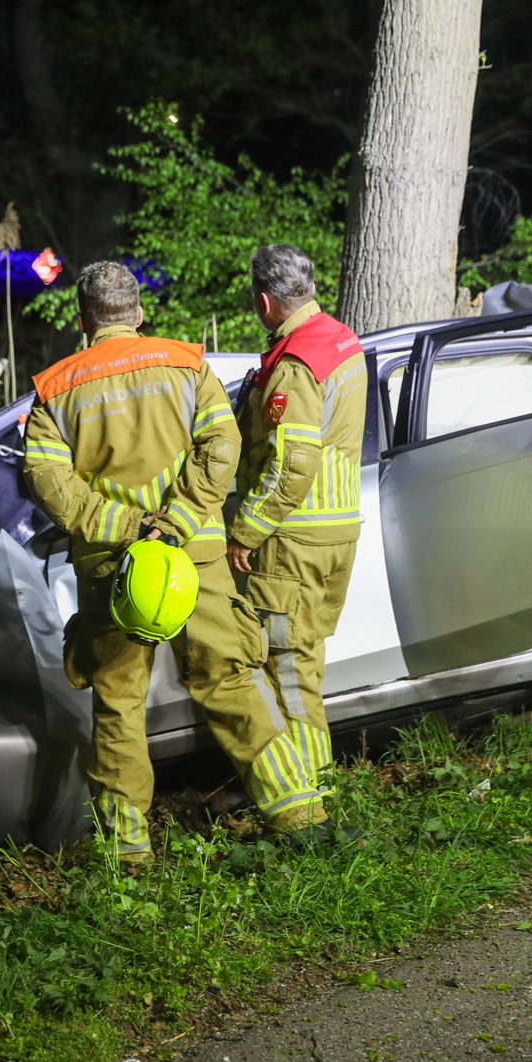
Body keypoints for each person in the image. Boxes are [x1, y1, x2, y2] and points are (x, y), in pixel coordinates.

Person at [24, 261, 256, 861]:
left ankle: (127, 853)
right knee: (228, 680)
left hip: (112, 569)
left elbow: (48, 483)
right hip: (194, 556)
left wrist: (126, 528)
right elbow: (222, 445)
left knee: (120, 703)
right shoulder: (186, 364)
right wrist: (175, 521)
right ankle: (301, 812)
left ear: (82, 321)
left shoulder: (56, 389)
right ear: (140, 313)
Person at [222, 244, 367, 840]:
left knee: (288, 672)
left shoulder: (295, 364)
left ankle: (310, 813)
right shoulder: (340, 339)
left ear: (264, 301)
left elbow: (293, 463)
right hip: (334, 533)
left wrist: (244, 530)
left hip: (293, 540)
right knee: (304, 665)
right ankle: (314, 790)